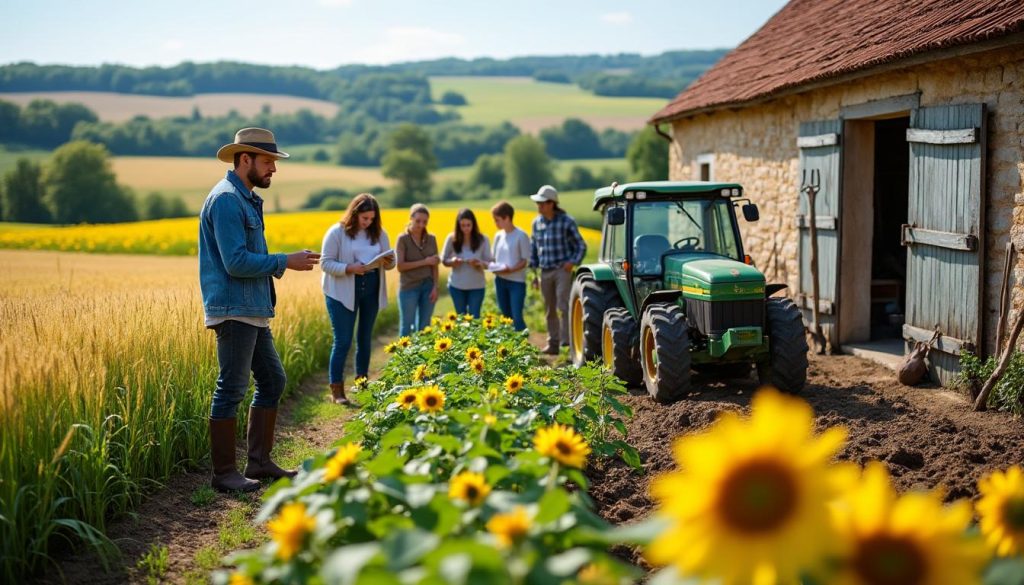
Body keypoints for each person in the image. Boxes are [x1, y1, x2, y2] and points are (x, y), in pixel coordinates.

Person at [199, 127, 320, 492]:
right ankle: (223, 474)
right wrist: (286, 260)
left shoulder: (245, 198)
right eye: (268, 161)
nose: (274, 169)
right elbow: (235, 262)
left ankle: (260, 462)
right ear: (245, 159)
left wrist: (282, 261)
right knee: (232, 388)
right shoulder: (225, 200)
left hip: (251, 307)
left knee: (272, 381)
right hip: (234, 308)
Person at [320, 193, 395, 405]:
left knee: (364, 337)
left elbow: (389, 264)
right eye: (365, 218)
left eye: (372, 218)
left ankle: (362, 383)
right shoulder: (336, 232)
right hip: (341, 290)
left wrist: (389, 260)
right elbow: (325, 263)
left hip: (371, 287)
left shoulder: (379, 233)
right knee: (343, 340)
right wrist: (349, 268)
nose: (368, 222)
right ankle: (337, 390)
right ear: (354, 214)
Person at [529, 185, 587, 354]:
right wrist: (534, 274)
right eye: (538, 203)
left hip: (562, 270)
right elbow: (534, 249)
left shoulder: (567, 221)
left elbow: (581, 246)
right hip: (544, 271)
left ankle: (568, 344)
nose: (538, 206)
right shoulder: (536, 223)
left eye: (541, 203)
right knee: (549, 309)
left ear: (551, 203)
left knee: (563, 305)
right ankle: (553, 343)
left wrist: (572, 262)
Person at [395, 204, 439, 335]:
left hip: (428, 286)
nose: (421, 225)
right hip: (409, 287)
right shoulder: (402, 239)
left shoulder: (432, 239)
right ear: (411, 218)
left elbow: (435, 265)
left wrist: (435, 287)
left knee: (425, 328)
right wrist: (425, 262)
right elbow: (400, 266)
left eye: (425, 222)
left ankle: (421, 355)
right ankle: (404, 356)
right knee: (407, 327)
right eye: (418, 221)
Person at [442, 208, 492, 318]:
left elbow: (489, 262)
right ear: (458, 225)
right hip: (456, 286)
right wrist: (453, 262)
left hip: (477, 286)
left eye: (468, 225)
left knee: (474, 318)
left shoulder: (483, 239)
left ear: (474, 224)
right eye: (462, 225)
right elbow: (444, 260)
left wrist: (479, 263)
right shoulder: (451, 238)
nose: (466, 228)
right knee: (461, 318)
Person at [490, 201, 531, 331]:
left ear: (507, 218)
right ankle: (512, 348)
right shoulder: (498, 236)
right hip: (500, 281)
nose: (495, 223)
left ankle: (524, 345)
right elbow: (493, 258)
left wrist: (510, 270)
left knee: (517, 317)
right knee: (506, 317)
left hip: (516, 282)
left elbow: (525, 261)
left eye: (497, 220)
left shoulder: (521, 235)